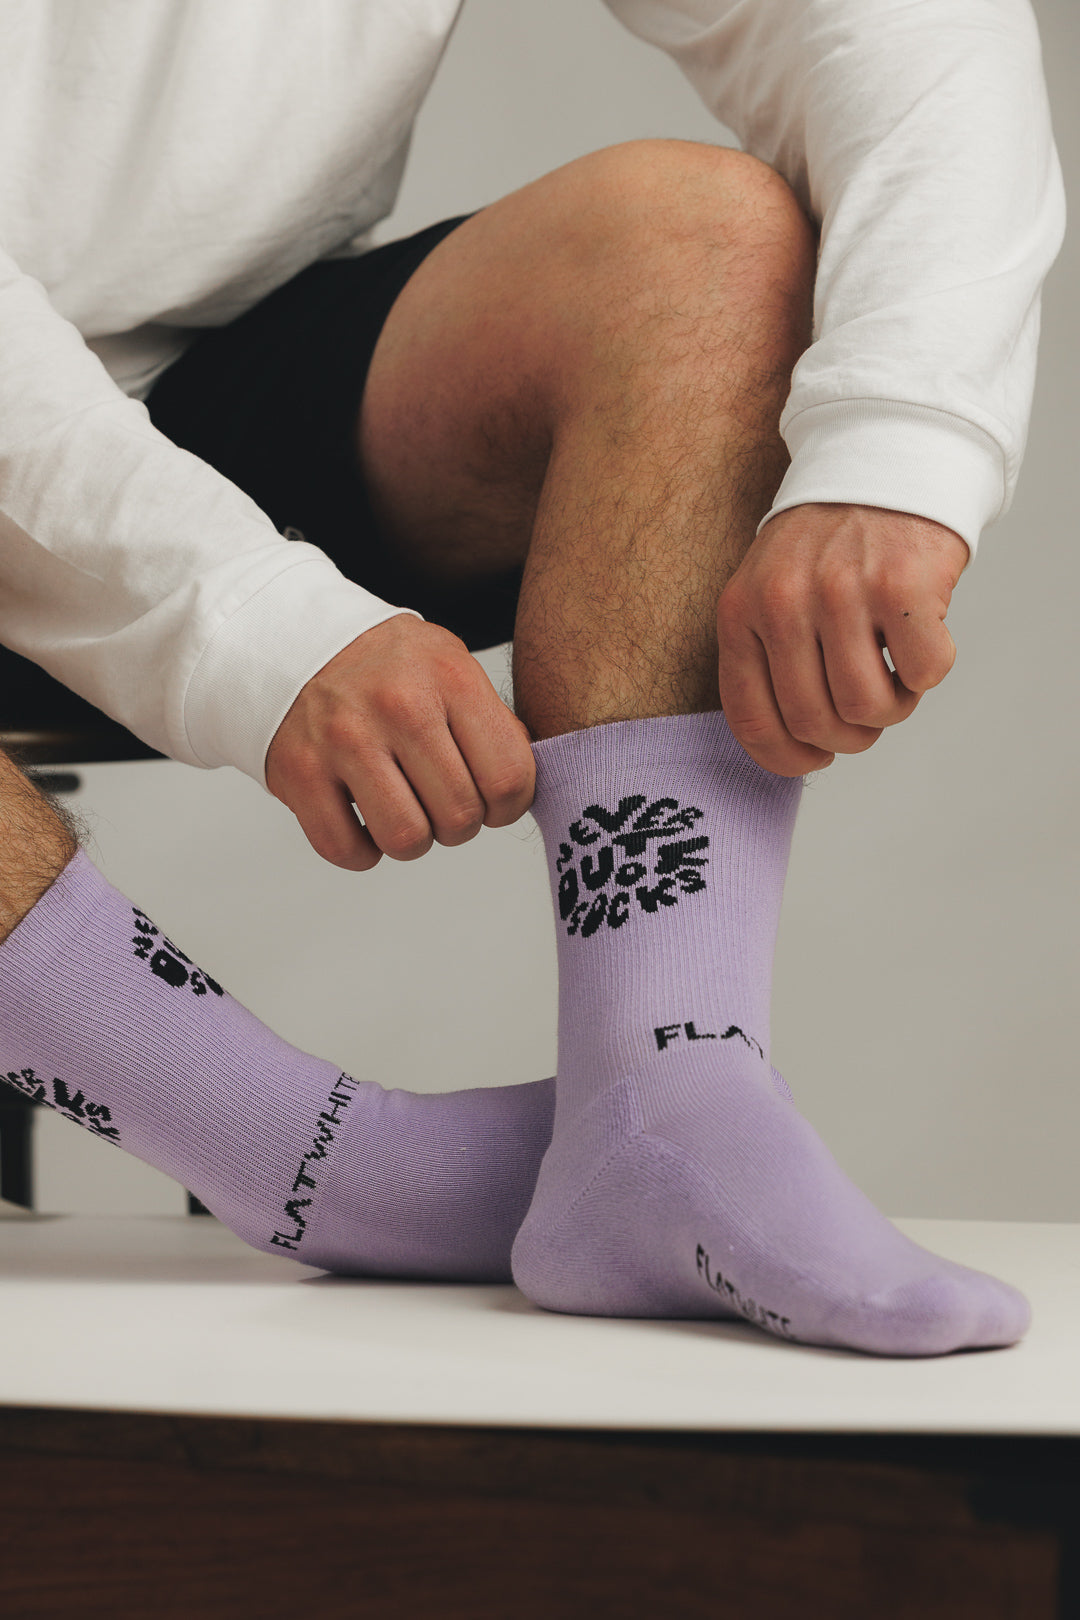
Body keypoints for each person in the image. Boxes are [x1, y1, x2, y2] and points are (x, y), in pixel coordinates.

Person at [0, 1, 1065, 1355]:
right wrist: (249, 617)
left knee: (697, 250)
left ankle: (664, 1098)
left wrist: (901, 446)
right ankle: (310, 1157)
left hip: (190, 370)